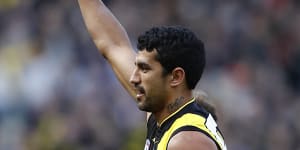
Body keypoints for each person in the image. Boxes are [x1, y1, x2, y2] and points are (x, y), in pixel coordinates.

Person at [77, 0, 227, 149]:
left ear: (176, 77)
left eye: (144, 69)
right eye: (136, 67)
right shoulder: (164, 114)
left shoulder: (186, 141)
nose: (133, 78)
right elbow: (113, 45)